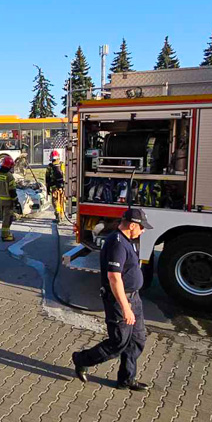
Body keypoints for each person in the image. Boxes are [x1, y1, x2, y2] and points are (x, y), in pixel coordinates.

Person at [72, 208, 153, 391]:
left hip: (135, 298)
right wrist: (126, 308)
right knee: (118, 342)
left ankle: (126, 379)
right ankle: (81, 359)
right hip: (120, 300)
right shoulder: (117, 243)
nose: (143, 230)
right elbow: (114, 278)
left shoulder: (128, 240)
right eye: (141, 227)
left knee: (137, 339)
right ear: (132, 225)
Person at [0, 156, 18, 242]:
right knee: (7, 218)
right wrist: (16, 201)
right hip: (8, 201)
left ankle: (6, 233)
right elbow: (12, 191)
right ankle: (5, 235)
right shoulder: (9, 176)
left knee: (4, 217)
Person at [45, 150, 66, 222]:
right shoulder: (62, 164)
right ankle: (62, 215)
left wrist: (47, 188)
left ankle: (57, 213)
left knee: (55, 200)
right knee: (62, 200)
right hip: (63, 186)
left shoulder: (49, 166)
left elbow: (47, 178)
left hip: (54, 187)